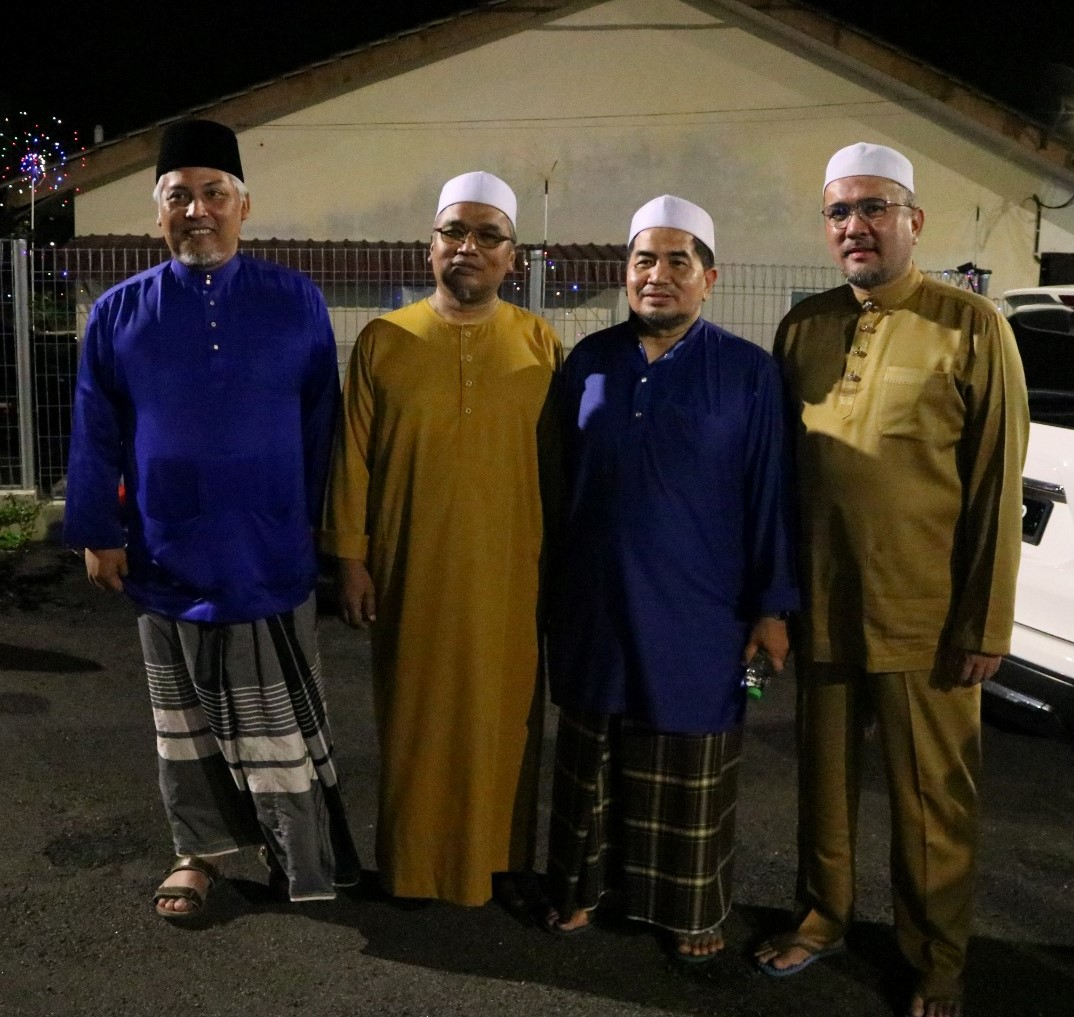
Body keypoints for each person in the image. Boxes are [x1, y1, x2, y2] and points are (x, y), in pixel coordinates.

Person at [753, 143, 1029, 1017]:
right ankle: (823, 915)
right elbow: (778, 479)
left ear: (914, 220)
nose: (855, 226)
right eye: (839, 211)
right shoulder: (804, 326)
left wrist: (986, 622)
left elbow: (995, 486)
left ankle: (937, 959)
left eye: (874, 207)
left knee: (931, 801)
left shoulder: (972, 325)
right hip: (824, 604)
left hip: (928, 617)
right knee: (823, 785)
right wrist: (774, 603)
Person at [64, 118, 360, 921]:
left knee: (279, 717)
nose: (197, 210)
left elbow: (321, 424)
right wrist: (98, 531)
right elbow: (95, 429)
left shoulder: (295, 300)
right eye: (179, 196)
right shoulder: (120, 313)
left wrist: (321, 531)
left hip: (270, 548)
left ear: (244, 205)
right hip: (167, 550)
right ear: (157, 210)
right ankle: (197, 853)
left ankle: (298, 853)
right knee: (185, 721)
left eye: (214, 193)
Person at [544, 195, 798, 961]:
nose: (657, 275)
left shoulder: (749, 373)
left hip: (702, 612)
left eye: (677, 261)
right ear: (626, 273)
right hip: (596, 603)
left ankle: (691, 911)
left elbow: (770, 494)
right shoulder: (588, 361)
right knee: (592, 754)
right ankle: (580, 889)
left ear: (709, 279)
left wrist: (772, 608)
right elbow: (557, 478)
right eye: (643, 260)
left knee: (693, 765)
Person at [321, 171, 562, 909]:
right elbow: (352, 456)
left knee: (505, 716)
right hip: (410, 568)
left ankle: (498, 861)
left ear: (511, 256)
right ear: (430, 246)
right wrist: (351, 557)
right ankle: (414, 867)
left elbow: (563, 467)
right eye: (454, 231)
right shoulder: (384, 340)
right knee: (414, 719)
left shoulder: (541, 344)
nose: (469, 247)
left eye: (488, 236)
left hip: (512, 573)